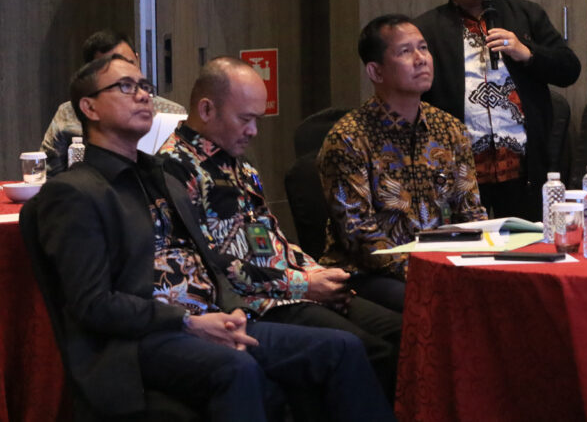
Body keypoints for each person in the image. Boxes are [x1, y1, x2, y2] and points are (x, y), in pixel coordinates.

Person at [32, 54, 393, 420]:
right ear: (89, 107)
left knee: (342, 348)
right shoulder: (75, 192)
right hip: (141, 339)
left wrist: (231, 309)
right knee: (238, 369)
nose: (142, 95)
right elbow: (94, 304)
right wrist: (185, 322)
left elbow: (211, 259)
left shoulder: (158, 175)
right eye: (125, 86)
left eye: (144, 86)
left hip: (212, 315)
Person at [160, 56, 402, 398]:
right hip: (258, 302)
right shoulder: (174, 170)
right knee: (367, 350)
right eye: (245, 119)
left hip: (292, 286)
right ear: (207, 109)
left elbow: (270, 236)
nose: (254, 131)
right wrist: (304, 284)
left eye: (257, 120)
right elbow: (214, 263)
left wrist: (315, 272)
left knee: (401, 331)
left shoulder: (238, 163)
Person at [318, 14, 487, 312]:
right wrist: (427, 271)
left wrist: (484, 260)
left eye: (423, 48)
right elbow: (360, 235)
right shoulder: (348, 138)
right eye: (405, 52)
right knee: (444, 305)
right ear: (376, 71)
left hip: (440, 262)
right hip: (368, 273)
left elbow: (470, 212)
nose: (421, 59)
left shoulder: (450, 128)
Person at [414, 0, 581, 221]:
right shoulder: (427, 29)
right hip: (460, 169)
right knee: (467, 244)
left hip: (524, 167)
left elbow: (569, 70)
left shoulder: (526, 14)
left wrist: (527, 52)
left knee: (528, 243)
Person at [40, 29, 185, 174]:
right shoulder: (68, 114)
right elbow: (47, 174)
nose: (142, 95)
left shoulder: (173, 113)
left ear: (138, 60)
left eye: (129, 63)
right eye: (124, 84)